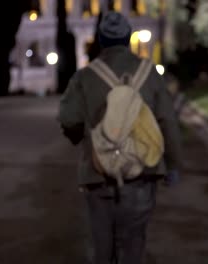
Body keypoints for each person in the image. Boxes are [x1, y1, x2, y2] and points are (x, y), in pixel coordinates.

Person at [57, 11, 182, 264]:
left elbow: (69, 119)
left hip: (98, 172)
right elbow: (168, 121)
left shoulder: (85, 76)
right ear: (128, 39)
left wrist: (80, 137)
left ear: (101, 41)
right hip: (141, 171)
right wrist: (173, 165)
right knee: (133, 243)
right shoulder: (150, 73)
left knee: (102, 245)